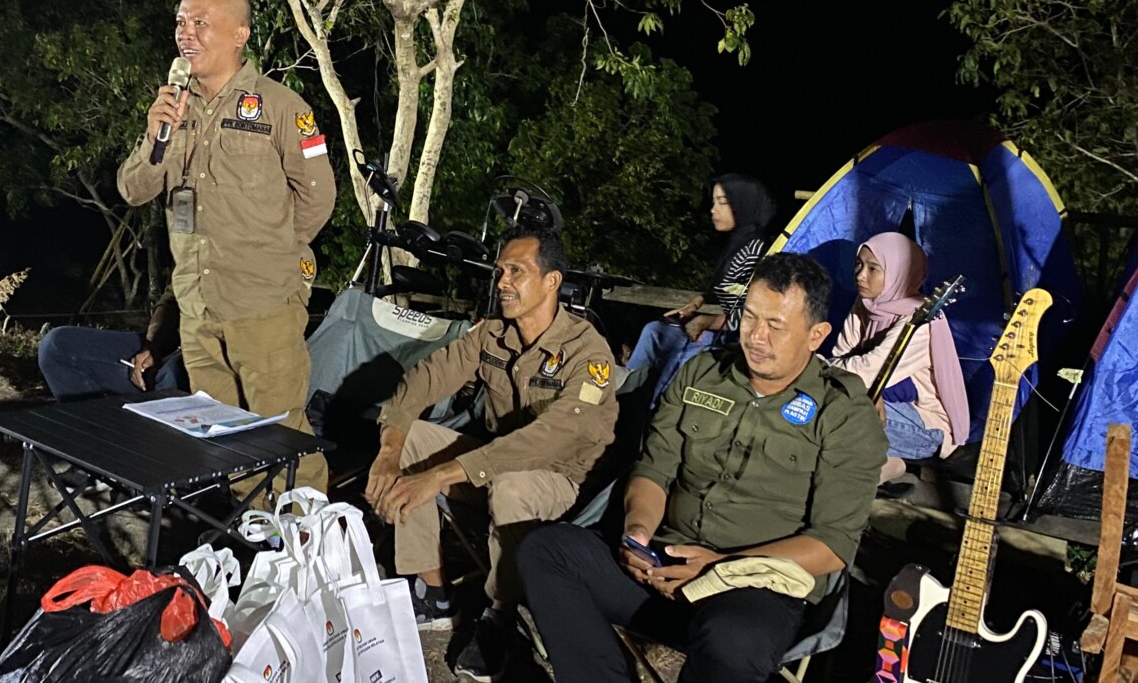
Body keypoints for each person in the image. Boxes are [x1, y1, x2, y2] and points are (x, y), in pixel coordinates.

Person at [517, 253, 887, 683]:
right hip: (662, 568)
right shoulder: (702, 372)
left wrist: (720, 568)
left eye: (776, 326)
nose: (756, 337)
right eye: (749, 318)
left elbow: (833, 544)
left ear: (816, 335)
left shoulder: (842, 411)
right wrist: (636, 533)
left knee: (735, 640)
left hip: (751, 590)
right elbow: (654, 469)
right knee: (547, 551)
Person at [365, 226, 619, 683]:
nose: (502, 281)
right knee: (415, 437)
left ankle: (502, 614)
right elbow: (426, 377)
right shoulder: (493, 336)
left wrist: (444, 475)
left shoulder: (587, 352)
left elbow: (552, 436)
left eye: (516, 271)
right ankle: (434, 595)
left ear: (551, 282)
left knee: (510, 485)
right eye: (501, 270)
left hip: (560, 481)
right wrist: (390, 449)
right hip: (494, 465)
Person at [117, 0, 337, 496]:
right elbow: (134, 189)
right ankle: (253, 540)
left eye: (200, 23)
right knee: (224, 438)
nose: (185, 35)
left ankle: (316, 554)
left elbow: (318, 197)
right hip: (197, 305)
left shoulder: (282, 107)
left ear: (240, 34)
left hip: (262, 303)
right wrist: (155, 136)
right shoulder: (172, 108)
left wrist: (271, 255)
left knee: (282, 438)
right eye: (180, 23)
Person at [829, 231, 970, 484]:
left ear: (899, 273)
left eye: (874, 268)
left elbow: (861, 372)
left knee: (834, 409)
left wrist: (860, 383)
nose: (861, 275)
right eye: (859, 264)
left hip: (924, 426)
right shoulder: (866, 304)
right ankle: (888, 466)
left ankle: (882, 467)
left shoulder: (919, 319)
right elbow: (839, 359)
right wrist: (872, 391)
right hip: (873, 406)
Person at [626, 174, 776, 402]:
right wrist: (699, 301)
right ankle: (624, 396)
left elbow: (747, 315)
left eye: (723, 203)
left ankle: (654, 410)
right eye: (714, 202)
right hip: (712, 329)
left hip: (729, 339)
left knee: (679, 366)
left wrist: (706, 321)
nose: (713, 210)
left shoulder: (757, 253)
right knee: (654, 332)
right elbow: (726, 290)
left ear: (743, 205)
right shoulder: (738, 244)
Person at [38, 289, 188, 400]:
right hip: (172, 342)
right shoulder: (194, 249)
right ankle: (93, 433)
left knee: (172, 375)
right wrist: (152, 346)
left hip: (200, 356)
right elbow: (170, 299)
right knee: (56, 347)